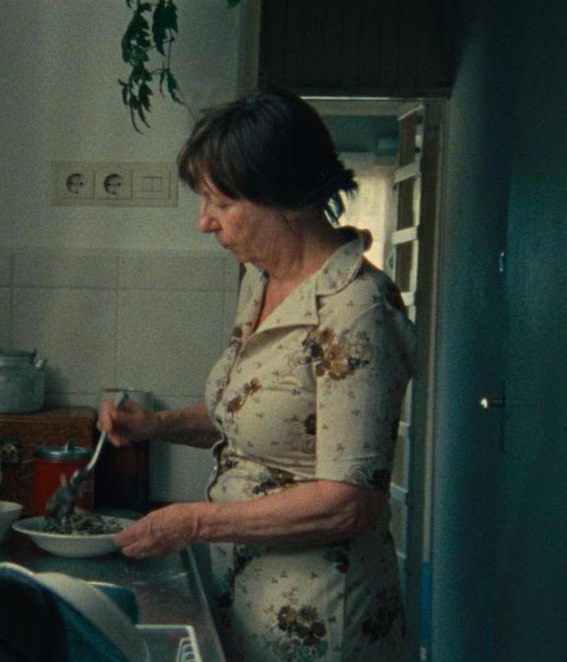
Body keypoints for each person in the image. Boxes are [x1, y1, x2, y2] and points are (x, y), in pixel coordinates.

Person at [101, 87, 415, 661]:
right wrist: (154, 425)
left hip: (322, 622)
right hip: (244, 599)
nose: (204, 223)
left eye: (220, 203)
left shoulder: (357, 309)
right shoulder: (260, 278)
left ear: (285, 196)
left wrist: (196, 523)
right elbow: (258, 414)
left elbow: (350, 503)